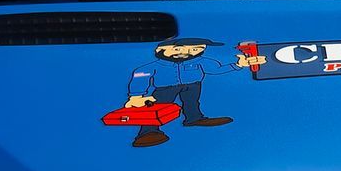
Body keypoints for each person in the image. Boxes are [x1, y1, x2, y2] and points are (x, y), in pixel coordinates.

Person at [102, 37, 243, 146]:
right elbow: (140, 76)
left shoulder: (201, 61)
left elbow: (216, 69)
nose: (185, 52)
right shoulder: (154, 65)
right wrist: (136, 96)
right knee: (154, 110)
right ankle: (148, 132)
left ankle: (194, 119)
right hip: (165, 87)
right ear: (160, 50)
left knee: (192, 103)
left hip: (193, 84)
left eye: (195, 49)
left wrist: (238, 65)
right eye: (177, 49)